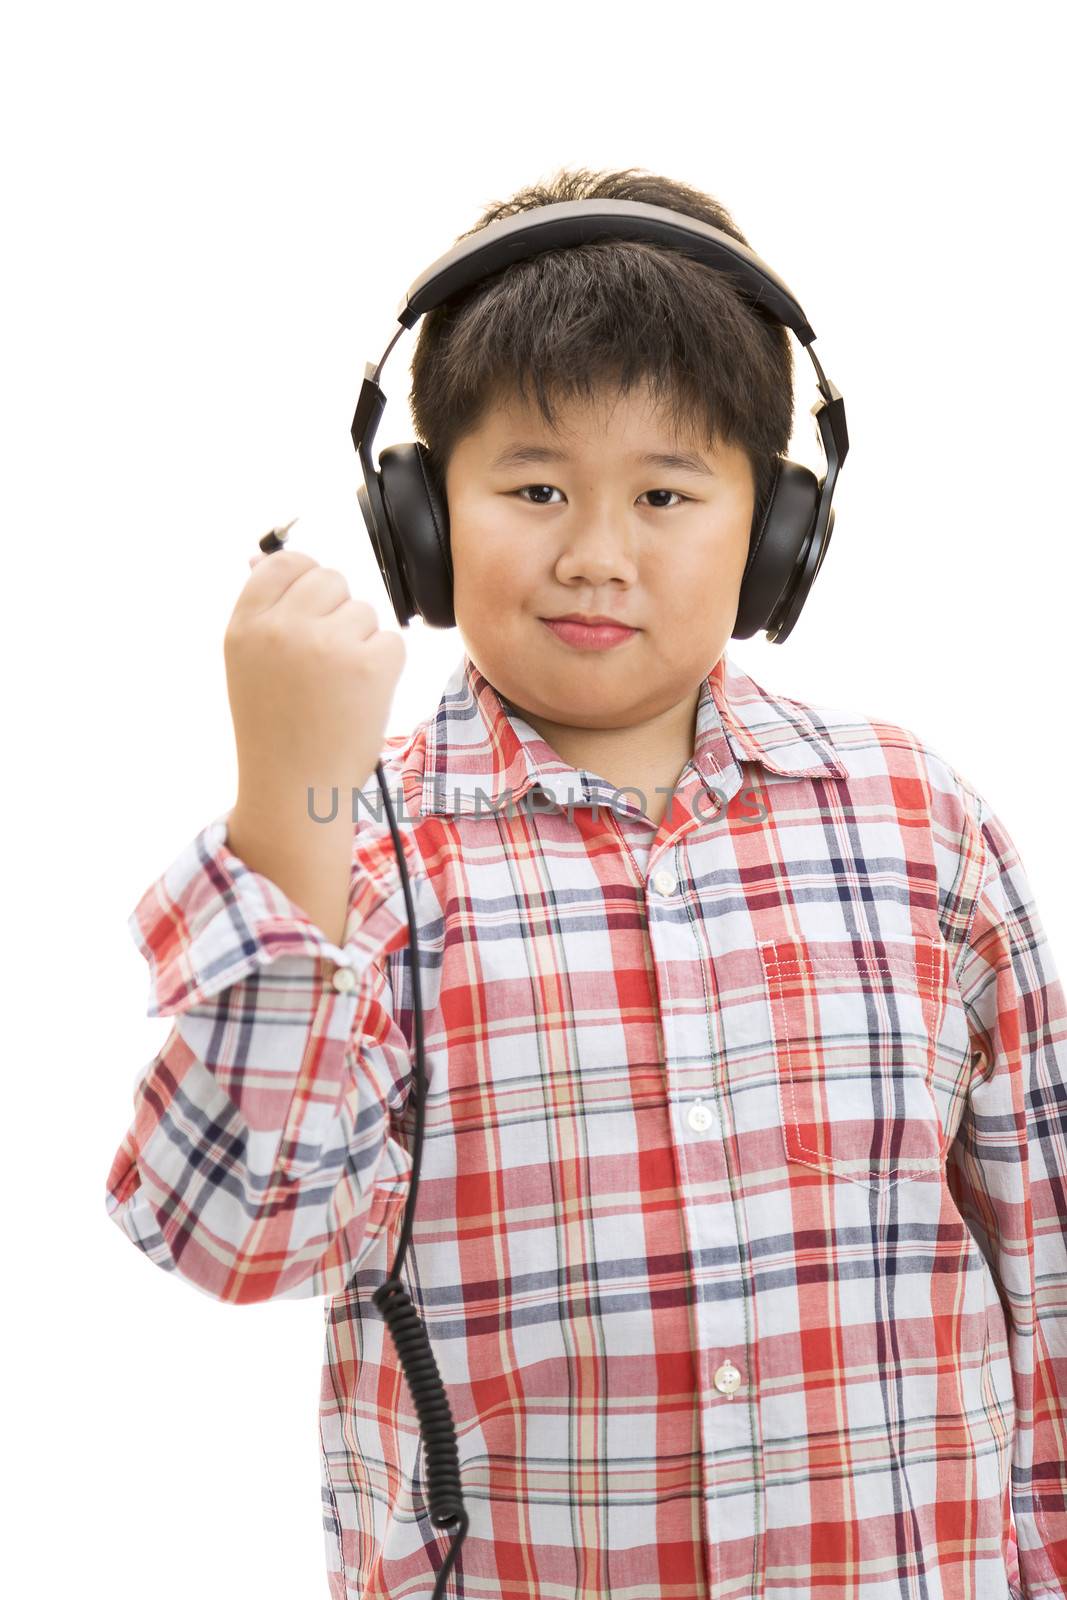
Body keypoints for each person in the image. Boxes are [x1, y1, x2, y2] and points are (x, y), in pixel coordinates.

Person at [105, 166, 1067, 1600]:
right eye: (535, 485)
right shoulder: (361, 853)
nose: (596, 555)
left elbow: (1043, 1266)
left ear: (779, 535)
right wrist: (289, 807)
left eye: (667, 492)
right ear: (418, 515)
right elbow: (236, 1236)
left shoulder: (919, 825)